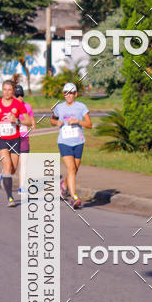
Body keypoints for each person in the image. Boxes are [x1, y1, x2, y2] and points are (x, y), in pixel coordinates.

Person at [0, 79, 30, 207]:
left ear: (13, 91)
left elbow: (28, 121)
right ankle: (10, 198)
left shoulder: (18, 104)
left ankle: (4, 176)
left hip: (14, 139)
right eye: (4, 89)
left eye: (9, 90)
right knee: (7, 165)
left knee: (12, 169)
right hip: (0, 139)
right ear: (2, 90)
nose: (7, 92)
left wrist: (17, 120)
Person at [51, 82, 91, 210]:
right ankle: (74, 197)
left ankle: (63, 186)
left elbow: (89, 124)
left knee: (74, 170)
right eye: (66, 93)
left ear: (76, 94)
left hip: (78, 142)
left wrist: (78, 121)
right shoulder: (59, 107)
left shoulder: (81, 107)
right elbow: (52, 120)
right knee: (71, 169)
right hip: (64, 142)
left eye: (71, 93)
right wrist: (56, 122)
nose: (68, 95)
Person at [15, 84, 36, 194]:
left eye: (21, 95)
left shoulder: (27, 107)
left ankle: (21, 187)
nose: (19, 97)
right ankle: (5, 173)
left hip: (24, 137)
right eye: (17, 95)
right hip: (12, 138)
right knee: (13, 165)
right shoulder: (10, 108)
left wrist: (33, 124)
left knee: (23, 163)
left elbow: (32, 119)